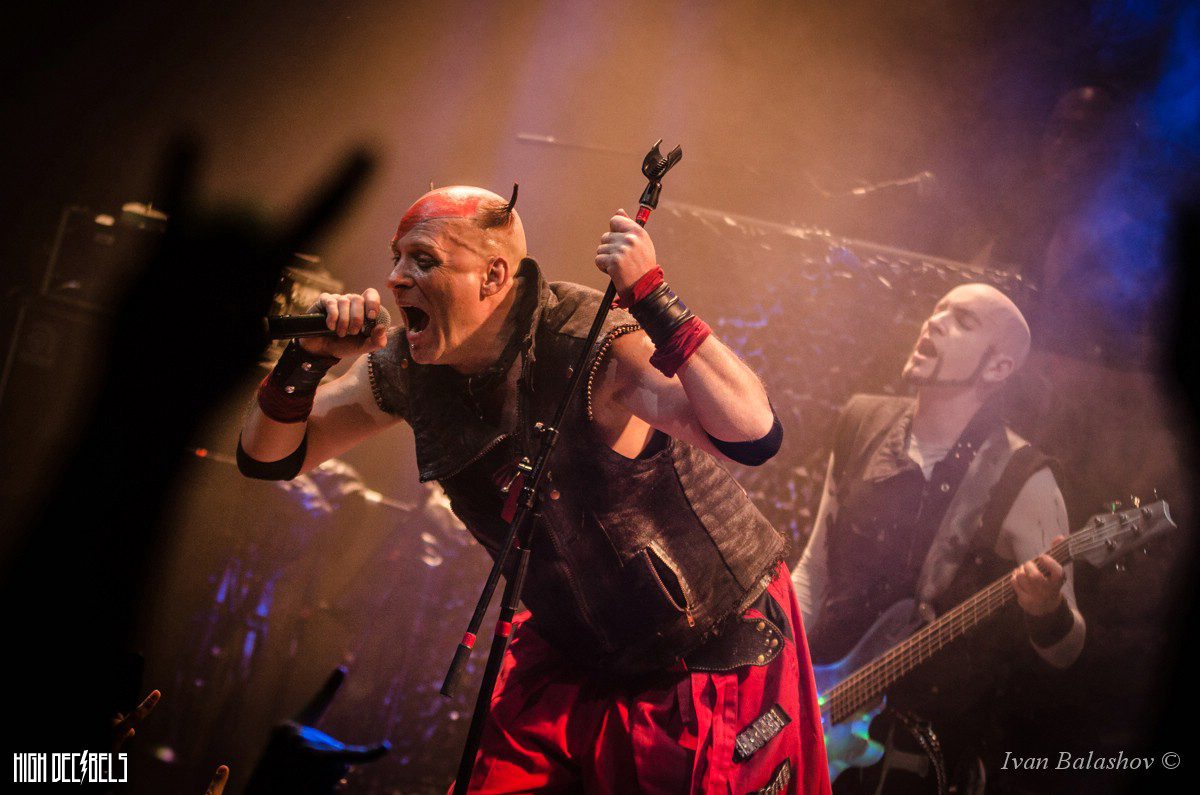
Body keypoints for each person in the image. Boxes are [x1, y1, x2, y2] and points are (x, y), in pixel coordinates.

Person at [237, 185, 831, 793]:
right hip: (575, 652)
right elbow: (269, 456)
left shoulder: (588, 342)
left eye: (423, 260)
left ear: (493, 275)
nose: (395, 278)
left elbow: (754, 435)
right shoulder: (408, 369)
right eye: (396, 258)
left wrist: (652, 294)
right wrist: (307, 358)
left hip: (708, 646)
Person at [791, 283, 1086, 793]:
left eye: (962, 321)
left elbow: (1068, 650)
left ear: (998, 367)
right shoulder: (862, 420)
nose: (935, 322)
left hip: (919, 759)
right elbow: (814, 571)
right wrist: (777, 670)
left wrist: (1046, 609)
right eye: (938, 309)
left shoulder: (1025, 479)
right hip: (817, 706)